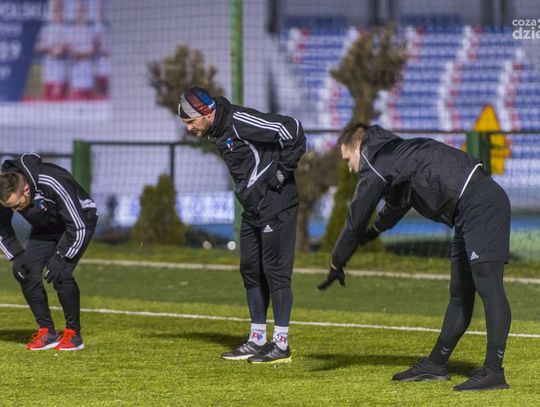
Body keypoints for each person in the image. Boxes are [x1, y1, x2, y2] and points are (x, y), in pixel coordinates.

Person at [318, 123, 511, 391]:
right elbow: (398, 203)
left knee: (489, 288)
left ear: (358, 146)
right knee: (460, 294)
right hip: (466, 211)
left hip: (481, 204)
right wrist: (374, 231)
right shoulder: (395, 156)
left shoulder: (376, 160)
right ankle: (436, 364)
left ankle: (493, 372)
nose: (350, 168)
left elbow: (356, 216)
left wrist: (337, 260)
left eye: (347, 159)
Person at [179, 87, 306, 363]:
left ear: (207, 112)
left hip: (277, 205)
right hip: (253, 209)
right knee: (250, 270)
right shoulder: (218, 130)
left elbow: (292, 129)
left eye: (191, 121)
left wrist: (282, 172)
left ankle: (281, 344)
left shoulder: (238, 120)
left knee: (275, 272)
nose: (188, 128)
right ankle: (257, 338)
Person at [0, 154, 98, 351]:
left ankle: (73, 334)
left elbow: (78, 225)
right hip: (46, 227)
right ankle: (48, 332)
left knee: (61, 273)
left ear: (26, 190)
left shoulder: (51, 180)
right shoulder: (5, 190)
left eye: (18, 205)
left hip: (79, 222)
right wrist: (16, 255)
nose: (16, 210)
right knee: (24, 271)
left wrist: (62, 256)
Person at [35, 0, 69, 100]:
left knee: (58, 100)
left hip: (60, 73)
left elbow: (63, 49)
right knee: (47, 100)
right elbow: (38, 46)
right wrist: (51, 48)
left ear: (63, 12)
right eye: (55, 11)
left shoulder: (66, 29)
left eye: (59, 11)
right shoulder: (46, 29)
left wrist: (52, 49)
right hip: (48, 73)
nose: (57, 14)